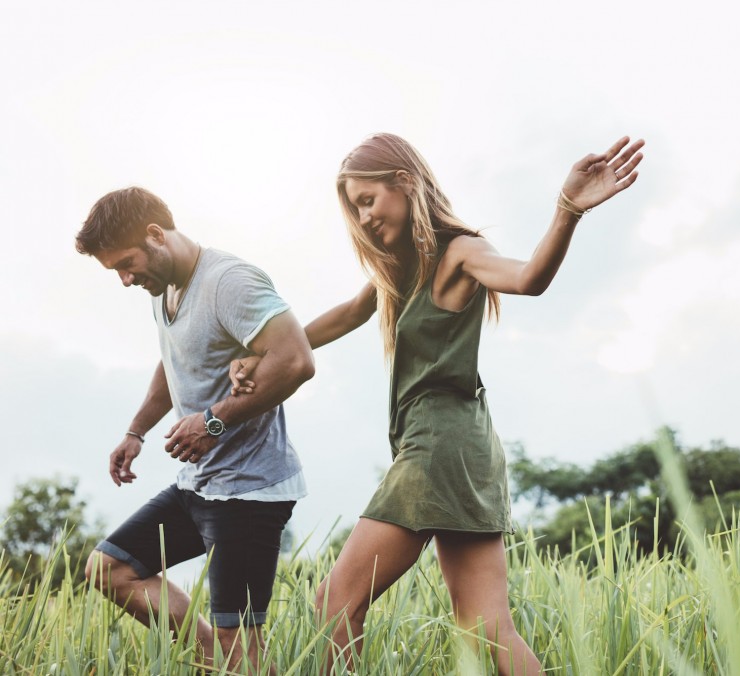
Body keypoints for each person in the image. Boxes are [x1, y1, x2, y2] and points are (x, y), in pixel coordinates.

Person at [230, 133, 644, 674]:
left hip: (438, 447)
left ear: (403, 182)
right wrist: (265, 351)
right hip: (466, 449)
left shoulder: (459, 252)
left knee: (335, 603)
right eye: (355, 211)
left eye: (367, 201)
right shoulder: (401, 269)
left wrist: (567, 210)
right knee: (487, 628)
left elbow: (527, 278)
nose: (364, 219)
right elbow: (345, 316)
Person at [75, 187, 315, 672]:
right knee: (109, 569)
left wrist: (213, 421)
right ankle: (227, 665)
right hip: (199, 485)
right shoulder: (162, 288)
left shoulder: (229, 281)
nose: (124, 279)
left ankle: (235, 662)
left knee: (239, 639)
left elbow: (295, 359)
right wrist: (136, 431)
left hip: (250, 490)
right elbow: (174, 362)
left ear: (156, 234)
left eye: (126, 263)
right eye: (116, 272)